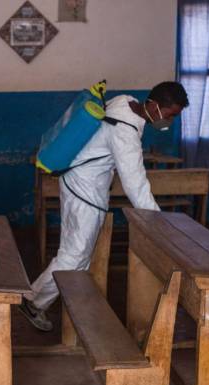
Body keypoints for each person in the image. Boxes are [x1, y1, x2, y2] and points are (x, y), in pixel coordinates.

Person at [20, 82, 189, 331]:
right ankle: (33, 301)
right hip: (85, 191)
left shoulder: (124, 101)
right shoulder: (125, 132)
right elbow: (135, 185)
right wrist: (158, 222)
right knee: (74, 254)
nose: (170, 121)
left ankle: (70, 308)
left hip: (78, 182)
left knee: (78, 253)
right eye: (170, 114)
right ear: (153, 106)